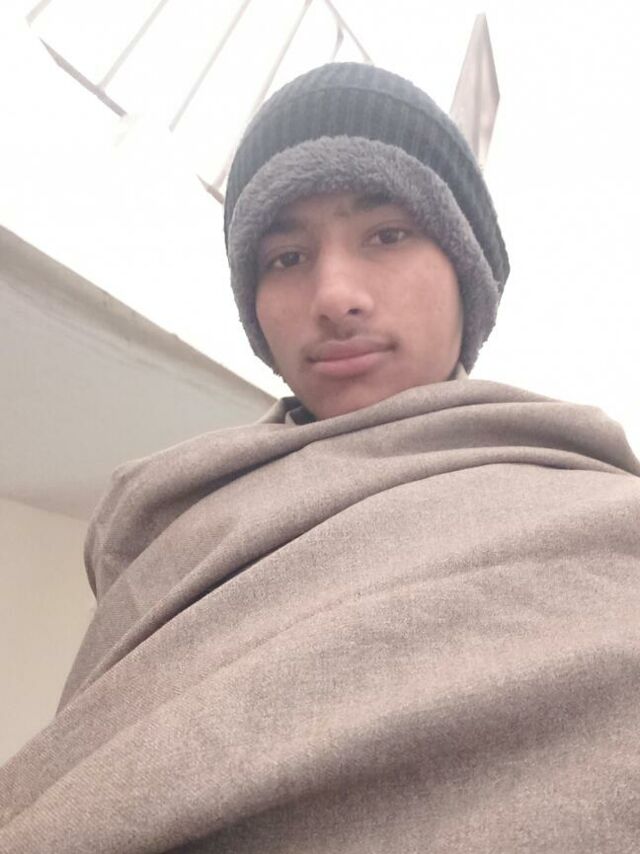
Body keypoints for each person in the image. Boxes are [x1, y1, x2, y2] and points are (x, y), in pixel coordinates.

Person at [1, 62, 640, 854]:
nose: (334, 295)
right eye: (286, 257)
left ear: (466, 270)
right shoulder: (158, 522)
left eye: (388, 234)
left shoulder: (605, 525)